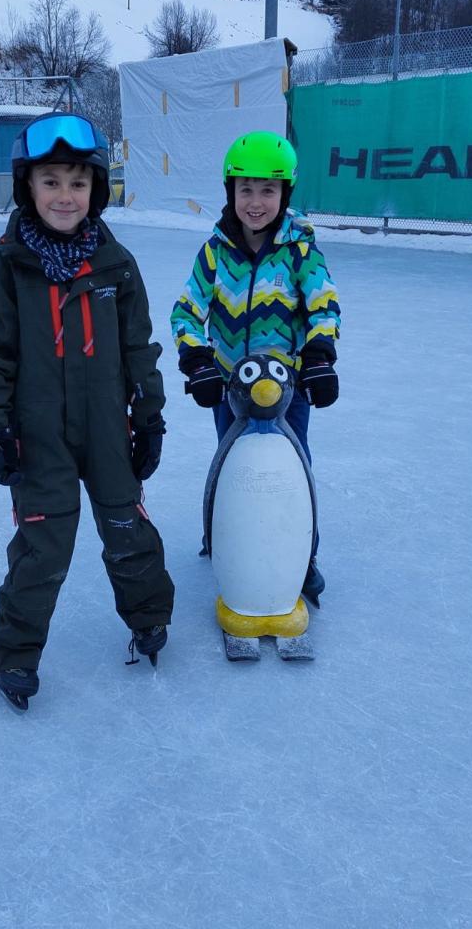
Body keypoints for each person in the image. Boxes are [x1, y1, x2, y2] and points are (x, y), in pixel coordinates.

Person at [0, 112, 174, 711]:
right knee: (43, 547)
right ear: (27, 187)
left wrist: (149, 416)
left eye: (78, 183)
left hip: (107, 428)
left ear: (95, 190)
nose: (65, 195)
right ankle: (13, 655)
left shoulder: (115, 264)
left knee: (128, 527)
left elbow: (138, 349)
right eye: (51, 181)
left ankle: (149, 618)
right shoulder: (5, 267)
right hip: (38, 437)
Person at [169, 130, 341, 602]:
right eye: (246, 189)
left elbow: (324, 306)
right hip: (231, 387)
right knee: (230, 463)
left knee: (294, 469)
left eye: (268, 190)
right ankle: (222, 535)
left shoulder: (300, 251)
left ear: (285, 193)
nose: (256, 202)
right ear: (231, 192)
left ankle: (303, 557)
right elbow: (186, 311)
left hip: (288, 390)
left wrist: (319, 357)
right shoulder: (214, 252)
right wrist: (198, 362)